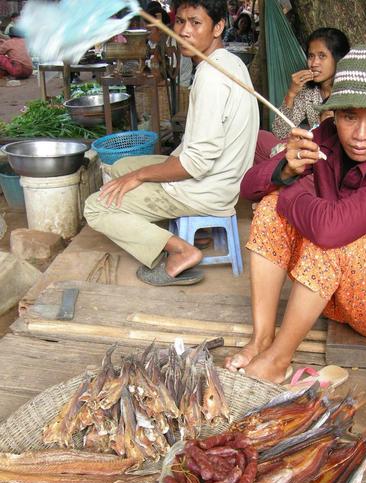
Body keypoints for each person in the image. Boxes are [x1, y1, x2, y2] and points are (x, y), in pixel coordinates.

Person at [225, 44, 366, 383]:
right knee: (268, 209)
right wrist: (286, 171)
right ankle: (260, 339)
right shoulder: (324, 139)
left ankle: (278, 360)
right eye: (350, 117)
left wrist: (288, 192)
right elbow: (248, 187)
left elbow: (332, 230)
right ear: (335, 115)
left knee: (330, 236)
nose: (360, 135)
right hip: (336, 297)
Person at [84, 0, 259, 287]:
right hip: (219, 179)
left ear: (218, 27)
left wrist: (140, 176)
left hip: (206, 189)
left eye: (196, 23)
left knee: (96, 207)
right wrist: (140, 172)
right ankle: (191, 233)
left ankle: (180, 250)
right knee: (122, 166)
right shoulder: (229, 62)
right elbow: (196, 150)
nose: (185, 31)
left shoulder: (212, 78)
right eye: (180, 22)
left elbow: (196, 164)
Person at [255, 27, 349, 163]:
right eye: (311, 56)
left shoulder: (347, 93)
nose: (314, 63)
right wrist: (291, 93)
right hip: (308, 151)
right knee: (261, 137)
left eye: (322, 56)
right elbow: (280, 133)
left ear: (338, 59)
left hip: (333, 157)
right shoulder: (308, 92)